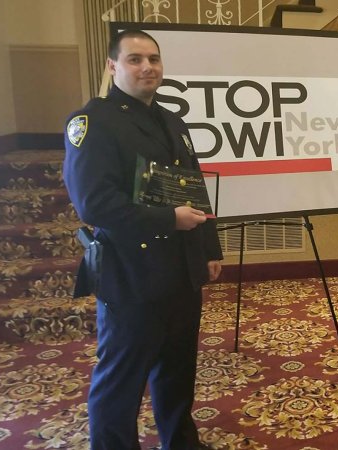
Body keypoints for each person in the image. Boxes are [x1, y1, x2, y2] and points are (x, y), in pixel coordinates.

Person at [63, 29, 223, 450]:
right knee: (121, 377)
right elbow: (95, 204)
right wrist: (170, 219)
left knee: (178, 369)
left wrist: (209, 248)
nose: (147, 67)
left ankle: (181, 443)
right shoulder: (93, 122)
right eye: (134, 59)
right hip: (131, 270)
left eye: (154, 58)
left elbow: (193, 188)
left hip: (181, 268)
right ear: (112, 66)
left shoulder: (172, 120)